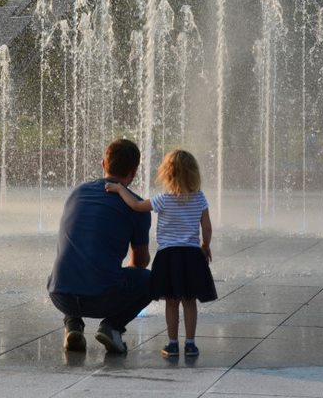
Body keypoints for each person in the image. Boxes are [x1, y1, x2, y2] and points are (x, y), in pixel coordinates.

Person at [105, 149, 217, 358]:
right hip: (192, 256)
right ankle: (191, 344)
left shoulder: (163, 199)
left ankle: (173, 344)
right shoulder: (200, 198)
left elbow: (137, 205)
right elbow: (207, 227)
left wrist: (120, 189)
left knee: (172, 301)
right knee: (190, 301)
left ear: (167, 174)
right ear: (194, 174)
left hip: (169, 256)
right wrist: (205, 244)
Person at [48, 139, 152, 354]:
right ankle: (112, 327)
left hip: (59, 294)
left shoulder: (77, 192)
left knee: (74, 263)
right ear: (134, 172)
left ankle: (72, 325)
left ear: (103, 164)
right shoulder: (136, 205)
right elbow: (140, 262)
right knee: (155, 280)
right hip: (102, 299)